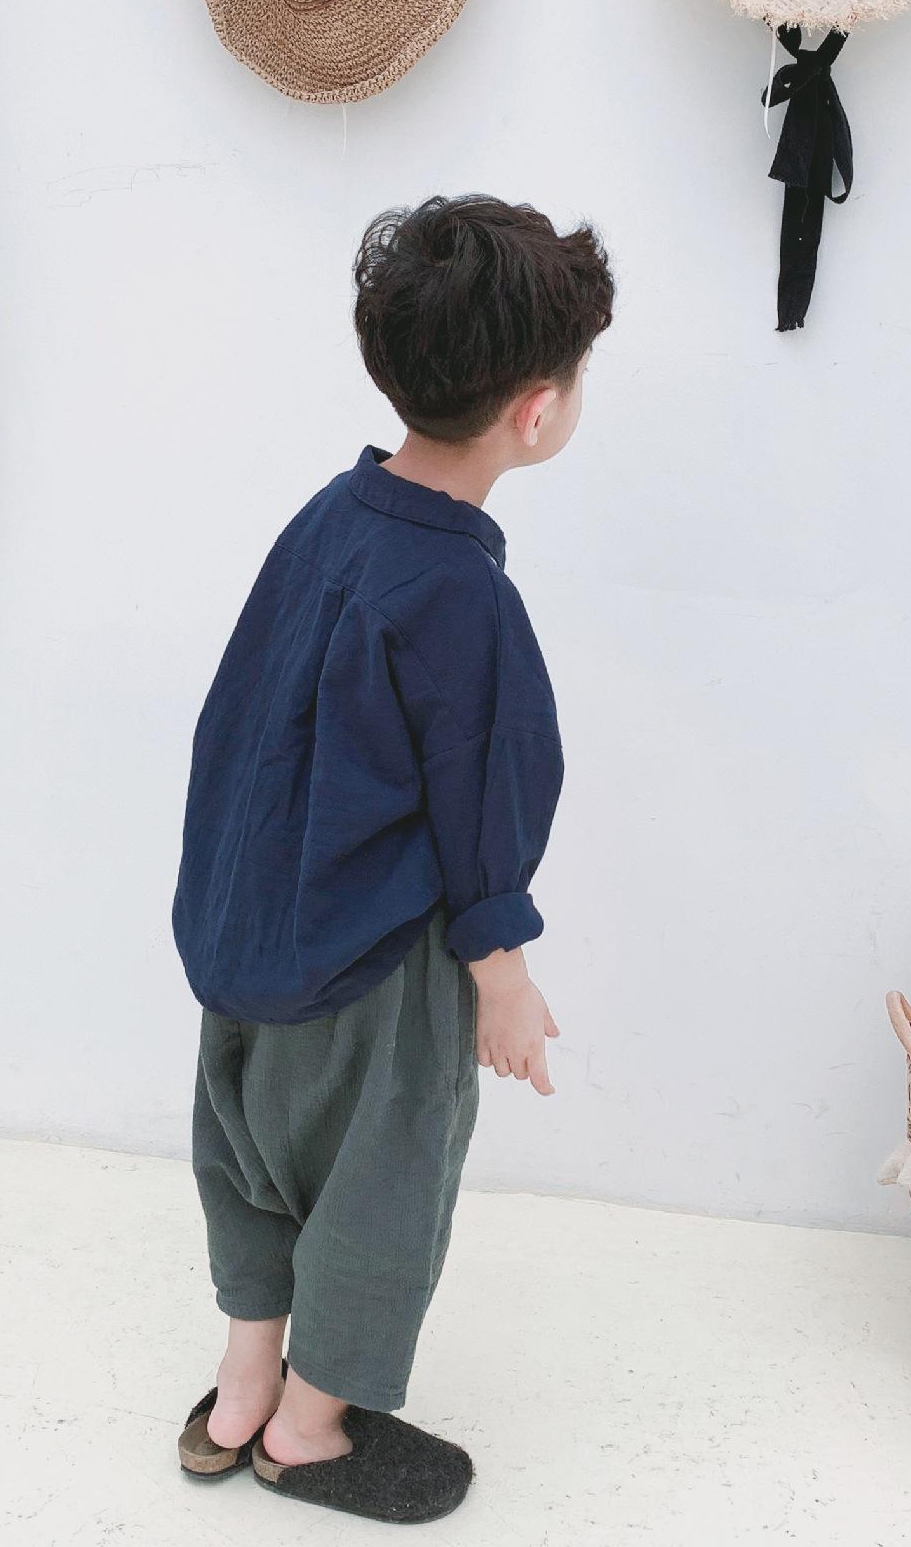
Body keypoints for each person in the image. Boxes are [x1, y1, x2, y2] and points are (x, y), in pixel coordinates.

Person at [170, 194, 614, 1523]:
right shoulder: (462, 595)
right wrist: (502, 981)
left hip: (247, 928)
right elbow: (485, 800)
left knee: (248, 1154)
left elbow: (245, 713)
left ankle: (242, 1388)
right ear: (537, 410)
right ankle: (309, 1432)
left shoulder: (329, 517)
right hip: (370, 958)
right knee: (384, 1180)